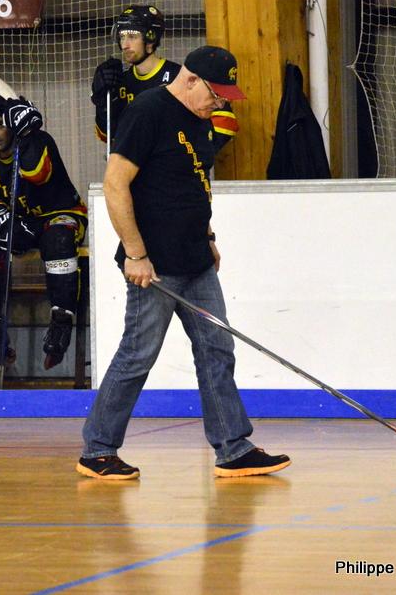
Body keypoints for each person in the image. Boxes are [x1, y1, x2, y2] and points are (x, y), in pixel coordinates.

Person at [78, 45, 291, 480]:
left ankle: (233, 448)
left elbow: (193, 183)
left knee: (217, 349)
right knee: (138, 355)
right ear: (191, 80)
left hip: (195, 259)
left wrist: (207, 236)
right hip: (154, 265)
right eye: (216, 94)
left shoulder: (200, 117)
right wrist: (135, 254)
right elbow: (115, 184)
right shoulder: (147, 112)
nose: (220, 104)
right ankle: (98, 450)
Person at [0, 91, 87, 370]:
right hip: (18, 222)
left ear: (11, 124)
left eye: (0, 125)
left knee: (58, 239)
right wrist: (2, 223)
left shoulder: (40, 141)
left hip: (57, 215)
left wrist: (28, 133)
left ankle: (61, 321)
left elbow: (37, 174)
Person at [90, 5, 238, 150]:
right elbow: (106, 136)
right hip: (133, 166)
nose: (125, 45)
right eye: (122, 37)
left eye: (132, 37)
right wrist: (103, 104)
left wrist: (185, 151)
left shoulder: (180, 77)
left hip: (176, 165)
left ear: (151, 38)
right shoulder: (119, 81)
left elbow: (226, 123)